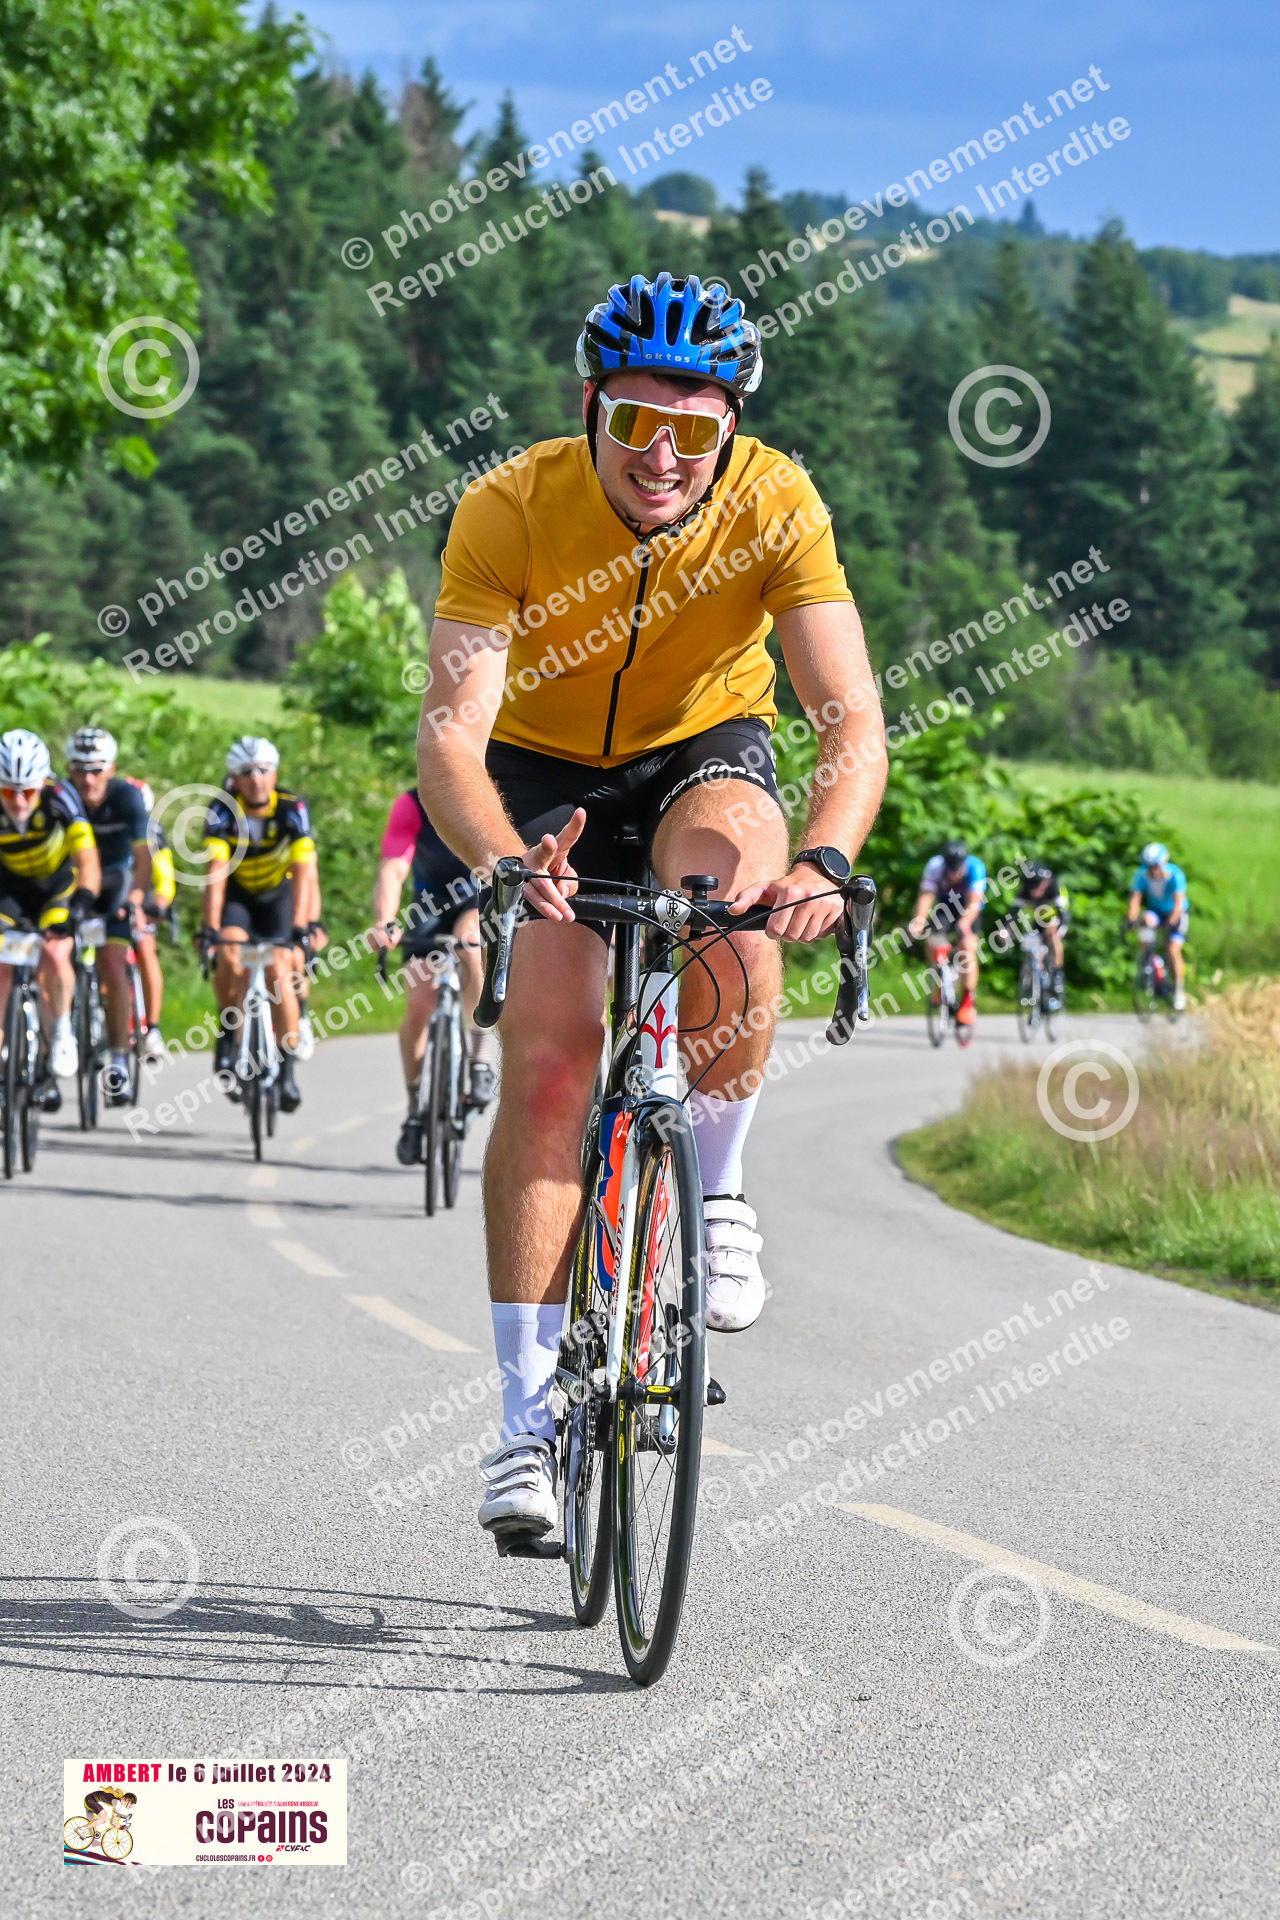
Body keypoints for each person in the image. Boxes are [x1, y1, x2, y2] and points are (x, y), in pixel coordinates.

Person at [416, 271, 886, 1541]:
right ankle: (524, 1420)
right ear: (589, 407)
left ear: (731, 426)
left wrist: (824, 861)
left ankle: (717, 1192)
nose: (661, 456)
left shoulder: (774, 500)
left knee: (732, 881)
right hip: (538, 773)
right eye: (633, 423)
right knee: (551, 1067)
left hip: (699, 749)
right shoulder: (510, 505)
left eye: (693, 428)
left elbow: (848, 720)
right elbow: (450, 733)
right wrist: (508, 859)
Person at [371, 787, 494, 1167]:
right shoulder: (413, 804)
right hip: (429, 903)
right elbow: (394, 867)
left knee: (470, 945)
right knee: (419, 1004)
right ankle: (415, 1110)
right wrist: (385, 921)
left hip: (477, 899)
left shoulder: (486, 796)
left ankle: (478, 1057)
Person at [200, 737, 319, 1112]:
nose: (256, 779)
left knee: (279, 970)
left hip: (277, 898)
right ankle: (227, 1034)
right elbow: (216, 873)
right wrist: (210, 928)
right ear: (234, 779)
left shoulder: (292, 809)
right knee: (228, 957)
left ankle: (286, 1071)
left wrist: (301, 927)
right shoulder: (221, 810)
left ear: (275, 774)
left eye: (263, 770)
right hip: (238, 898)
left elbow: (304, 873)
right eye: (246, 772)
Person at [0, 728, 100, 1105]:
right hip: (9, 890)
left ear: (42, 783)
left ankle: (60, 1032)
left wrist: (81, 906)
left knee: (56, 953)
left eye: (27, 792)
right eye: (8, 792)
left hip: (56, 886)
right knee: (2, 967)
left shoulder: (62, 798)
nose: (18, 801)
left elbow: (88, 861)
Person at [64, 729, 154, 1102]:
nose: (88, 779)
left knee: (114, 967)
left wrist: (135, 900)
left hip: (116, 884)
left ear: (112, 769)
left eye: (96, 770)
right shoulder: (62, 797)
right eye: (79, 769)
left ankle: (118, 1061)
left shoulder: (127, 797)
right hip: (73, 886)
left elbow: (145, 859)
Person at [908, 839, 987, 1026]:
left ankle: (968, 1000)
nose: (953, 874)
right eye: (950, 869)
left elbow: (974, 902)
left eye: (956, 869)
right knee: (931, 939)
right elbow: (926, 895)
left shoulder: (975, 867)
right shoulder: (935, 866)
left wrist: (964, 923)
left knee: (967, 946)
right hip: (946, 908)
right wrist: (918, 921)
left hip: (969, 909)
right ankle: (940, 984)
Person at [125, 776, 174, 1060]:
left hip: (142, 897)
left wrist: (158, 906)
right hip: (111, 894)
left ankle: (152, 1029)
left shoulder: (153, 830)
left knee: (145, 947)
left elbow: (165, 878)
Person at [1128, 841, 1188, 1011]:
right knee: (1145, 923)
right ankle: (1149, 964)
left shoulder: (1175, 874)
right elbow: (1135, 899)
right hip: (1155, 911)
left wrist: (1171, 923)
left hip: (1175, 913)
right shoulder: (1142, 875)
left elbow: (1179, 903)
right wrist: (1131, 920)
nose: (1152, 870)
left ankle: (1179, 990)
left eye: (1155, 866)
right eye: (1149, 866)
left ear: (1163, 862)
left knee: (1173, 950)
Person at [1011, 860, 1071, 1009]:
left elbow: (1064, 915)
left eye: (1036, 888)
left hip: (1055, 918)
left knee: (1052, 935)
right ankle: (1037, 989)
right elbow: (1012, 914)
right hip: (1038, 921)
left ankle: (1057, 976)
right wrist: (1006, 930)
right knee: (1034, 951)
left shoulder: (1053, 887)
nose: (1034, 893)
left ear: (1044, 883)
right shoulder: (1024, 891)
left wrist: (1060, 932)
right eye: (1030, 888)